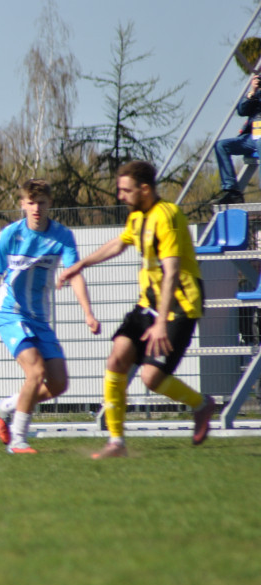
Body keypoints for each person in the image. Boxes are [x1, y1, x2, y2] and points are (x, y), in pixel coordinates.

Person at [58, 160, 215, 459]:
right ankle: (116, 442)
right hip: (148, 305)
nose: (120, 196)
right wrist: (80, 265)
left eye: (125, 190)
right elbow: (119, 243)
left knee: (150, 378)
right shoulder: (138, 216)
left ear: (145, 189)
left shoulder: (167, 216)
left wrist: (160, 324)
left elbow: (171, 272)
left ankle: (201, 404)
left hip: (179, 307)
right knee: (117, 356)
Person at [0, 179, 100, 454]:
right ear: (22, 204)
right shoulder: (11, 234)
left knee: (58, 383)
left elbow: (74, 273)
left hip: (39, 318)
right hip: (10, 313)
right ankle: (18, 439)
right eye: (30, 203)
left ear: (49, 203)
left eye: (41, 202)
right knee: (36, 372)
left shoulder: (62, 236)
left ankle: (6, 406)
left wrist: (88, 313)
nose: (36, 208)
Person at [213, 73, 261, 205]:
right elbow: (241, 110)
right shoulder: (257, 95)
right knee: (221, 146)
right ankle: (232, 192)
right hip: (252, 136)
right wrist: (252, 92)